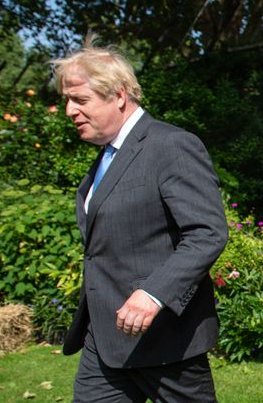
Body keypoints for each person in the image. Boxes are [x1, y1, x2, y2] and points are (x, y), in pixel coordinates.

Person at [52, 36, 228, 402]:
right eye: (67, 100)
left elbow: (207, 232)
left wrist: (153, 293)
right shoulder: (106, 156)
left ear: (118, 95)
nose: (69, 111)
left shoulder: (170, 146)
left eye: (80, 100)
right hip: (103, 341)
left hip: (166, 342)